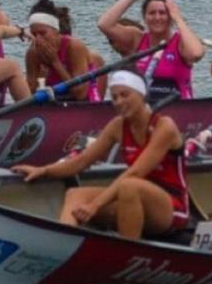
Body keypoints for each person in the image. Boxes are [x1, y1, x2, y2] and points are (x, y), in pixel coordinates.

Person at [12, 71, 188, 239]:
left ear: (141, 95)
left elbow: (136, 173)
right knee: (75, 195)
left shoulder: (164, 126)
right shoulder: (118, 126)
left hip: (171, 209)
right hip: (132, 198)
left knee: (129, 186)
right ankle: (64, 244)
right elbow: (81, 161)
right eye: (114, 97)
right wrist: (43, 170)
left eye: (125, 95)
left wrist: (95, 206)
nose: (118, 102)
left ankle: (127, 253)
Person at [97, 0, 204, 103]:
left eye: (162, 13)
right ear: (144, 16)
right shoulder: (137, 39)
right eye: (152, 13)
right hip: (144, 112)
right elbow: (104, 24)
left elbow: (196, 54)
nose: (157, 18)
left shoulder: (180, 42)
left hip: (178, 109)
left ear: (170, 16)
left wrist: (178, 19)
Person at [24, 0, 101, 102]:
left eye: (42, 33)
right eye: (34, 34)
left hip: (83, 102)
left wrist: (55, 62)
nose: (37, 40)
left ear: (56, 31)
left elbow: (80, 94)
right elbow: (27, 95)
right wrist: (41, 77)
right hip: (52, 101)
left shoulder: (74, 47)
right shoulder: (33, 52)